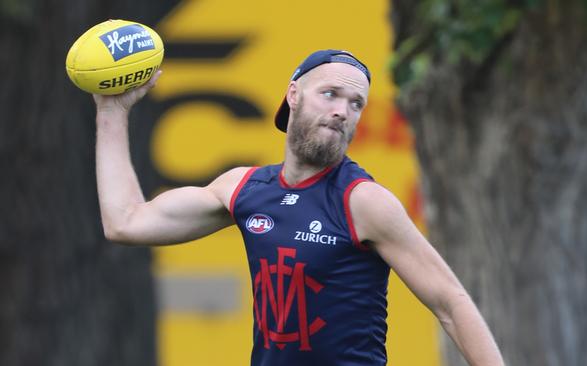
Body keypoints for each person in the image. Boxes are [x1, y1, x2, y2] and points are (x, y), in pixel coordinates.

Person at [93, 49, 504, 366]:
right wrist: (112, 111)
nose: (343, 111)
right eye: (330, 94)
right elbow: (126, 223)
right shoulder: (244, 188)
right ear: (293, 95)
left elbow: (450, 302)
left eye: (356, 103)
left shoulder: (362, 200)